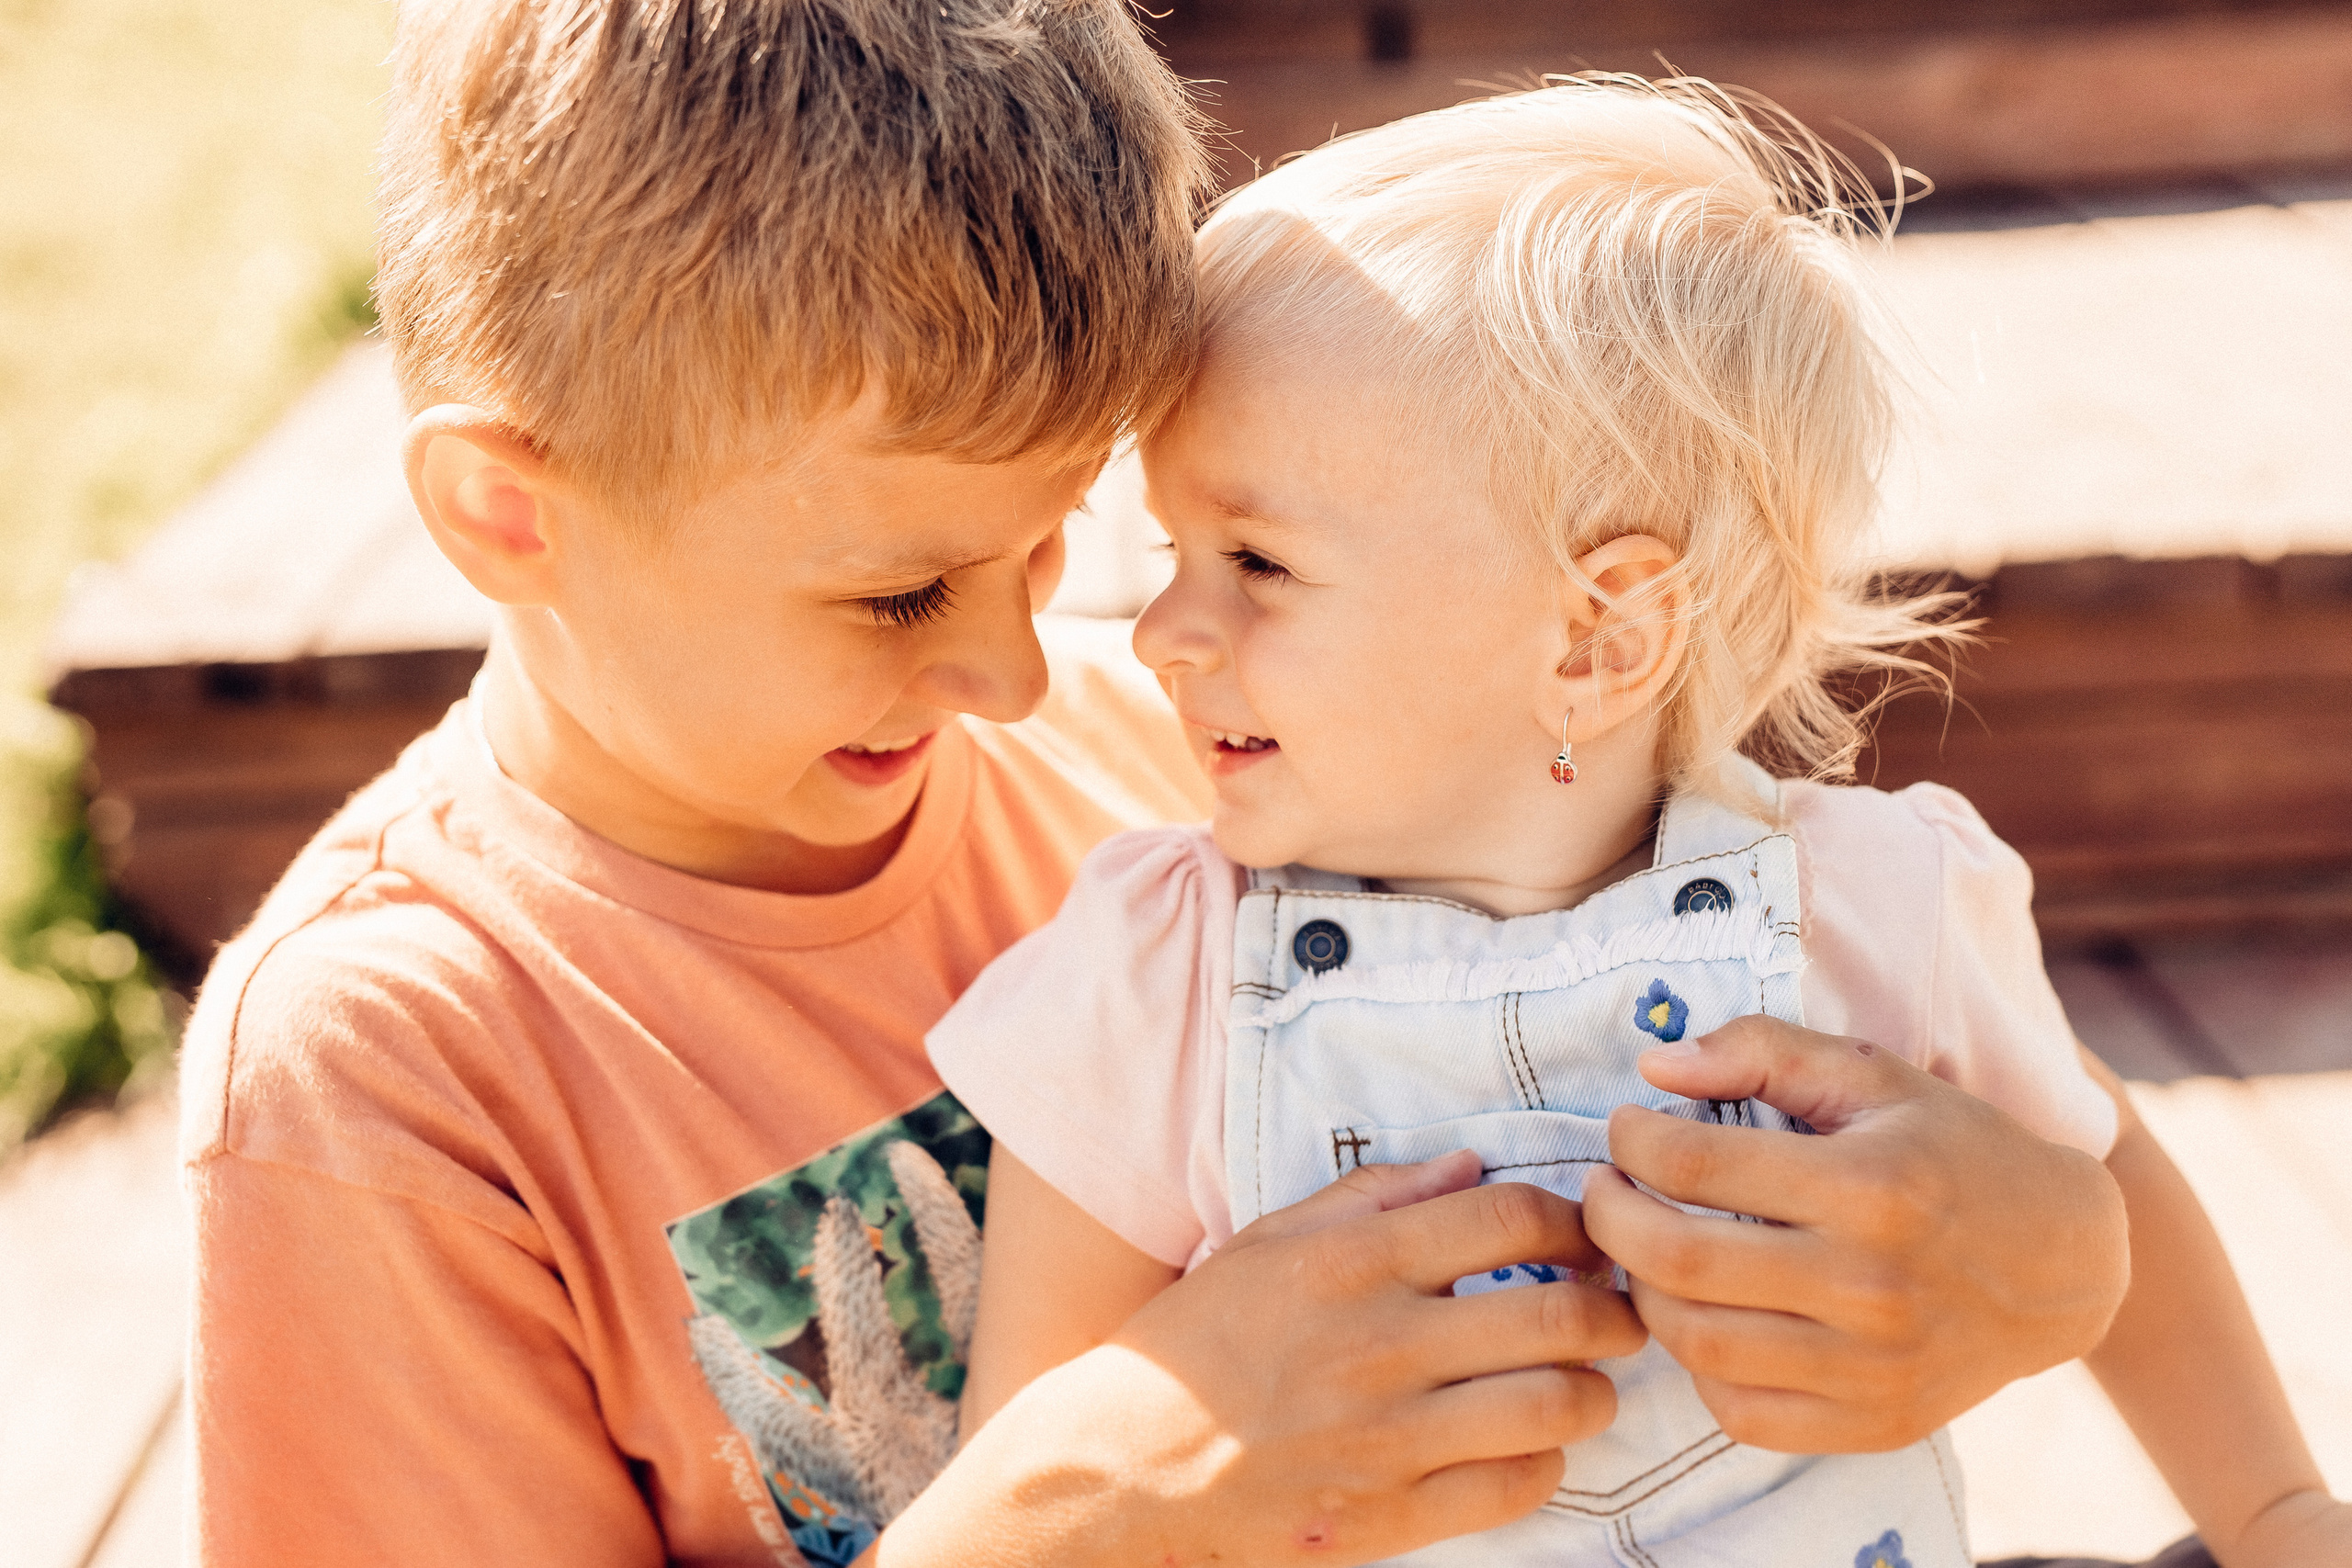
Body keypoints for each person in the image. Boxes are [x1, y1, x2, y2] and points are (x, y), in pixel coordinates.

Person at [177, 6, 2131, 1565]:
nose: (1020, 669)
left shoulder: (1185, 752)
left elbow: (1949, 1063)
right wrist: (1107, 1497)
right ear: (507, 512)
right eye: (894, 588)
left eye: (1047, 551)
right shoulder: (381, 1072)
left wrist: (2057, 1255)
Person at [932, 78, 2351, 1568]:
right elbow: (1045, 1465)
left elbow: (2094, 1185)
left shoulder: (1867, 906)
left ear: (1599, 640)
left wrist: (2270, 1510)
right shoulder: (1155, 981)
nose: (1163, 630)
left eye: (1257, 562)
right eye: (1173, 550)